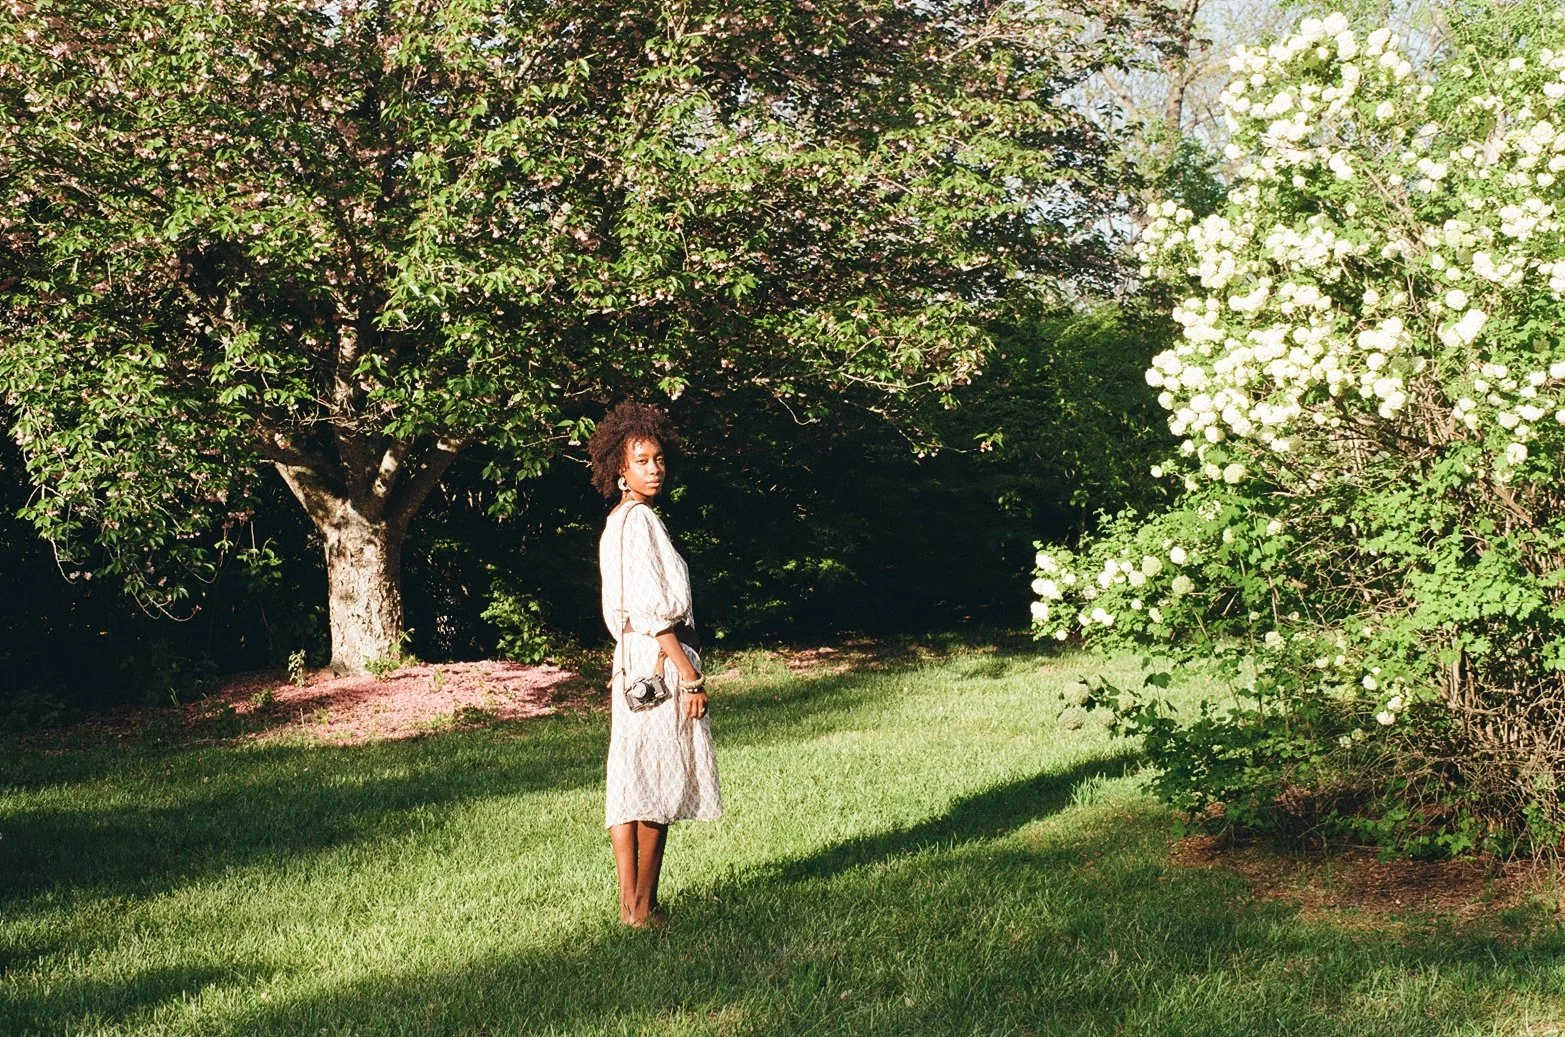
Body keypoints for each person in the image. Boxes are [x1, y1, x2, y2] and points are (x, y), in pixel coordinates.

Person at [589, 401, 723, 927]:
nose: (655, 468)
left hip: (630, 660)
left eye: (659, 458)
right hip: (659, 661)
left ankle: (631, 904)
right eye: (642, 461)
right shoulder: (639, 521)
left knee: (630, 780)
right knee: (657, 785)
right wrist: (689, 675)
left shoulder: (617, 522)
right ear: (620, 470)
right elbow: (650, 610)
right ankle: (643, 908)